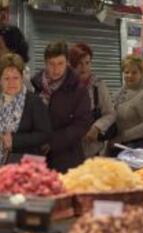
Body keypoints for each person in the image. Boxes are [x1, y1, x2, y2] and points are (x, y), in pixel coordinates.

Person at [0, 54, 51, 172]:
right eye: (6, 78)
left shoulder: (33, 102)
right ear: (0, 80)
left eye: (15, 78)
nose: (11, 82)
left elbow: (45, 134)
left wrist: (15, 140)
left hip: (24, 168)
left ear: (22, 77)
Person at [31, 41, 91, 173]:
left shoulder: (78, 89)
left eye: (60, 64)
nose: (56, 69)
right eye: (51, 64)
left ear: (67, 63)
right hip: (36, 158)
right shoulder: (35, 86)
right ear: (45, 63)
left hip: (67, 159)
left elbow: (82, 124)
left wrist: (52, 142)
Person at [69, 43, 116, 157]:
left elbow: (110, 113)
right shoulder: (64, 86)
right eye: (80, 63)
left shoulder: (98, 85)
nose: (84, 67)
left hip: (93, 151)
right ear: (72, 64)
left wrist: (97, 127)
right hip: (68, 150)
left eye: (87, 63)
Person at [109, 55, 143, 155]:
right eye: (126, 72)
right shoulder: (121, 91)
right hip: (119, 145)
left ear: (141, 73)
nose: (129, 75)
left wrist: (123, 136)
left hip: (139, 148)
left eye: (134, 72)